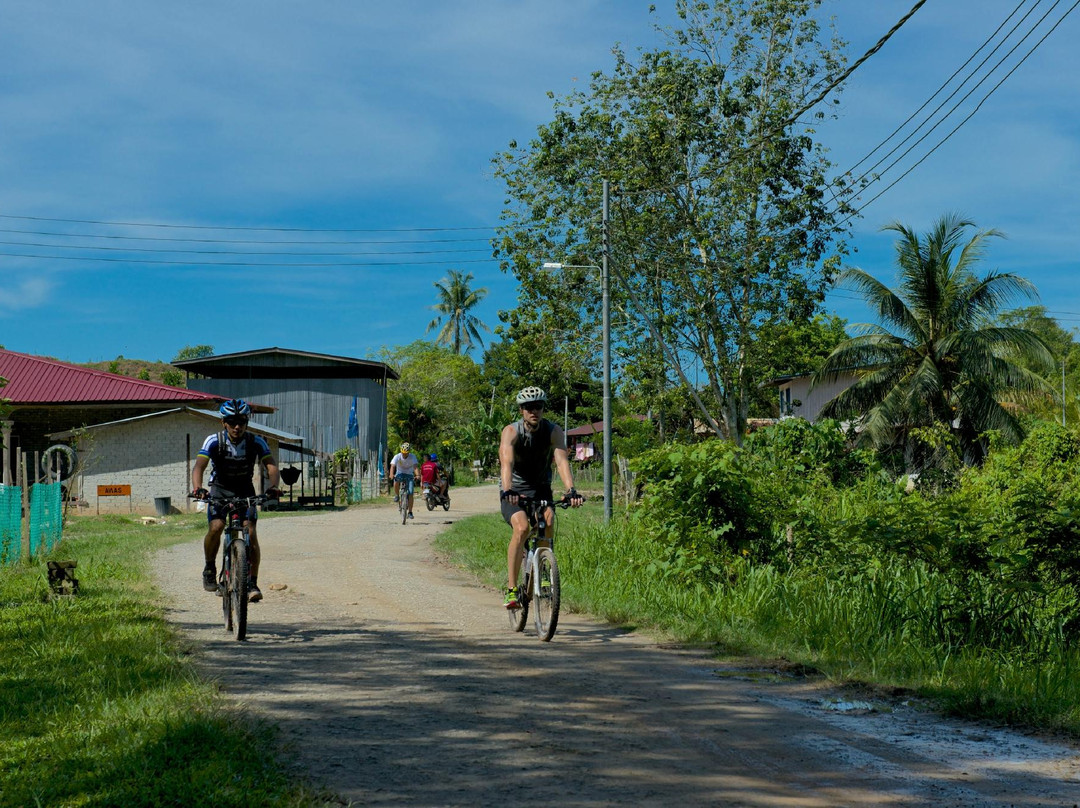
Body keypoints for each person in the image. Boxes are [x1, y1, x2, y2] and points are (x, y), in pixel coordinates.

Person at [498, 385, 583, 608]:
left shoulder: (553, 431)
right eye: (528, 407)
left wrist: (571, 490)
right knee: (522, 528)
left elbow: (562, 461)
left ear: (544, 409)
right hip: (514, 490)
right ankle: (512, 590)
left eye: (538, 407)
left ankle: (543, 569)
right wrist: (508, 490)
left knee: (549, 521)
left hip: (541, 488)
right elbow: (506, 462)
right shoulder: (511, 431)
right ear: (521, 410)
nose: (533, 411)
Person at [191, 399, 281, 602]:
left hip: (244, 491)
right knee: (216, 527)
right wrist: (198, 488)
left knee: (250, 531)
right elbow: (199, 466)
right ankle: (209, 567)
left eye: (241, 421)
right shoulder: (213, 441)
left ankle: (252, 583)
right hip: (219, 490)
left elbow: (271, 464)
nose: (237, 426)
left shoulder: (256, 441)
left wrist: (273, 487)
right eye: (232, 422)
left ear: (247, 422)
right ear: (224, 422)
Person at [390, 442, 421, 519]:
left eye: (406, 453)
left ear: (408, 452)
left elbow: (415, 467)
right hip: (400, 473)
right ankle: (397, 495)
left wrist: (418, 475)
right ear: (401, 451)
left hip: (409, 474)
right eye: (403, 453)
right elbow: (392, 466)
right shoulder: (397, 456)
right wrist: (391, 474)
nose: (404, 455)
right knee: (396, 480)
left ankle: (410, 512)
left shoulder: (412, 457)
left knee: (410, 492)